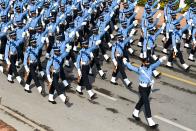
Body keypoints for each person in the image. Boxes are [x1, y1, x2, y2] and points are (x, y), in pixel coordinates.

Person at [123, 56, 167, 128]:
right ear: (143, 63)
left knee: (142, 101)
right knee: (146, 103)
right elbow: (131, 67)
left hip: (148, 88)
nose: (148, 63)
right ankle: (150, 121)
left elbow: (156, 64)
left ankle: (135, 113)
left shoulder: (150, 67)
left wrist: (162, 59)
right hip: (142, 88)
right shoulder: (140, 69)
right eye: (146, 62)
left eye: (149, 62)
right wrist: (125, 62)